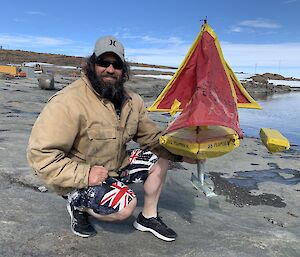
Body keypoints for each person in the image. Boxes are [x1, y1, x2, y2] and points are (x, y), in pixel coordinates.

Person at [27, 35, 193, 242]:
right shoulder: (67, 102)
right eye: (103, 62)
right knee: (125, 206)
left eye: (117, 64)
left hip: (116, 166)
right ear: (91, 64)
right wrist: (85, 175)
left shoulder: (133, 101)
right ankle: (77, 203)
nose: (110, 69)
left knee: (160, 156)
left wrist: (185, 153)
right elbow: (42, 156)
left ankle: (148, 217)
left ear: (124, 69)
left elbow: (152, 139)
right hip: (80, 176)